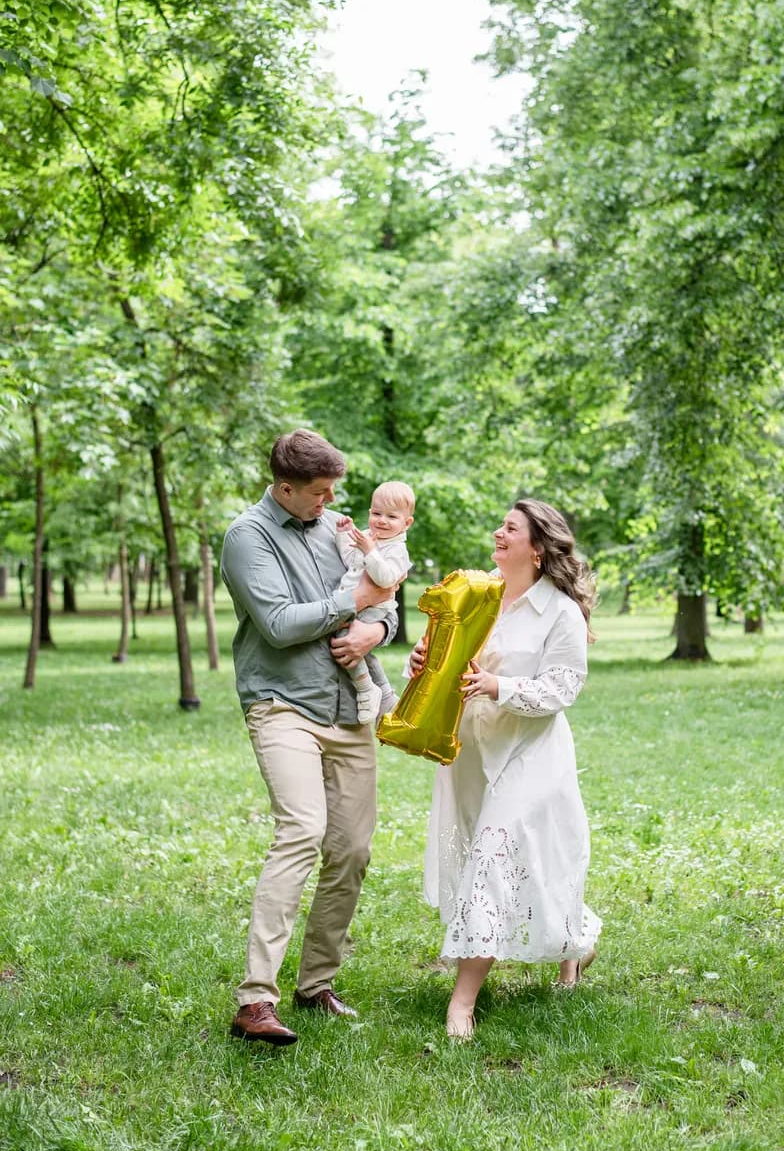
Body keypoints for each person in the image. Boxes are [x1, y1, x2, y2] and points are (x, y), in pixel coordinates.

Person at [219, 429, 402, 1046]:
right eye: (318, 494)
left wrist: (375, 629)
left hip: (350, 706)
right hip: (282, 703)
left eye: (332, 493)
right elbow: (276, 625)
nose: (328, 503)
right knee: (301, 829)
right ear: (285, 487)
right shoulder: (248, 537)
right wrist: (353, 601)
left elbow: (386, 598)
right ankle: (255, 1001)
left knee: (351, 849)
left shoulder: (333, 527)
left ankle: (316, 983)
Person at [417, 498, 601, 1041]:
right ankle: (578, 942)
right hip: (473, 751)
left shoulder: (560, 613)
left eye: (510, 529)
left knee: (492, 861)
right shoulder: (480, 596)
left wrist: (502, 687)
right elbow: (451, 659)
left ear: (537, 550)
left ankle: (463, 1002)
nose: (498, 533)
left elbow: (563, 688)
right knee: (514, 863)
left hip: (531, 755)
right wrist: (424, 662)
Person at [334, 480, 415, 725]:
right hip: (354, 604)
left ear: (406, 523)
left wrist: (371, 551)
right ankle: (385, 697)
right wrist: (342, 535)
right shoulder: (370, 538)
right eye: (377, 513)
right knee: (350, 645)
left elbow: (387, 578)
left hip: (375, 609)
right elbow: (350, 560)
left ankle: (366, 688)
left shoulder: (397, 550)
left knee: (347, 642)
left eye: (391, 516)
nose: (382, 520)